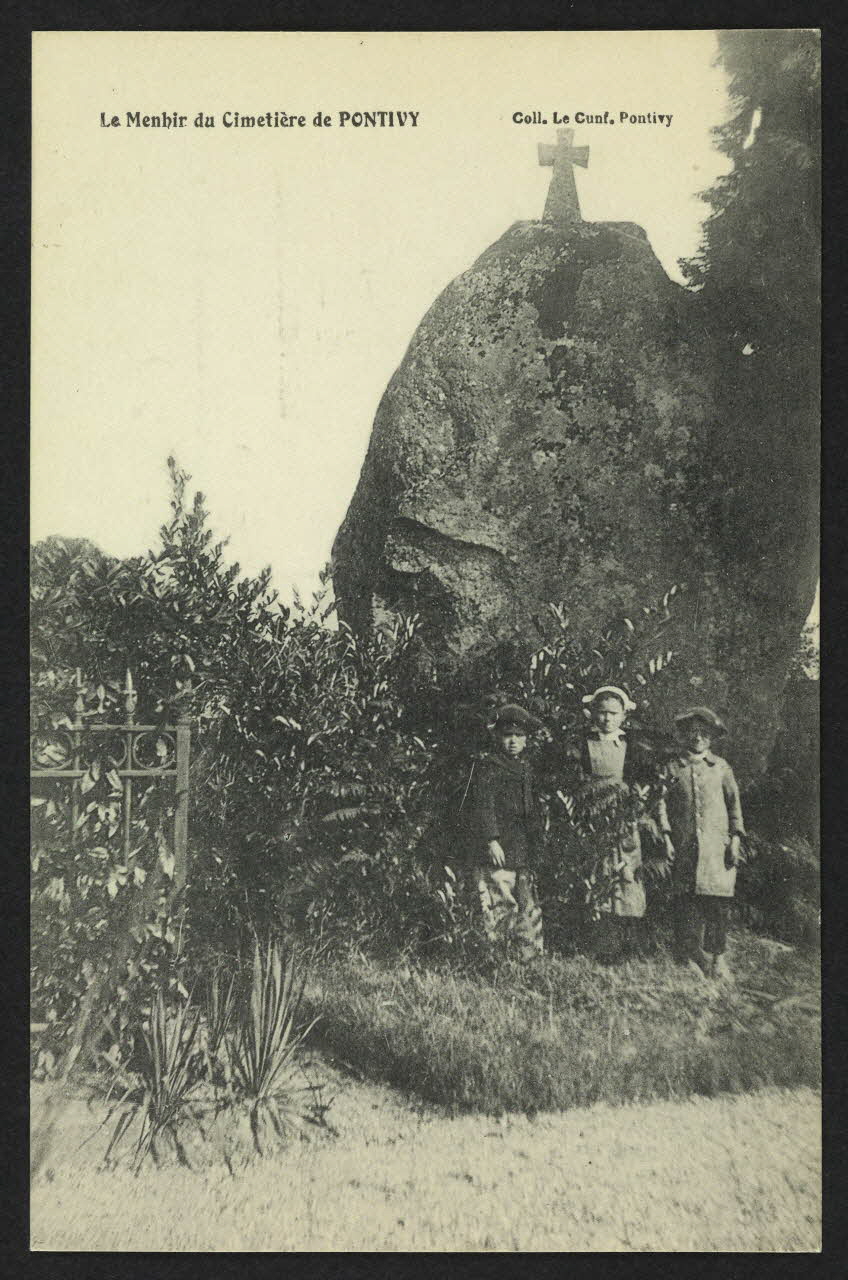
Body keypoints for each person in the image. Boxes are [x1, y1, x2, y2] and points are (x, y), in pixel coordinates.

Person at [658, 707, 745, 982]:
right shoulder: (672, 767)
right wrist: (666, 836)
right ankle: (689, 957)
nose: (697, 738)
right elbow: (659, 803)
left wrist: (735, 839)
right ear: (683, 735)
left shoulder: (720, 767)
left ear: (712, 738)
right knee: (687, 903)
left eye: (704, 734)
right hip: (685, 848)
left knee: (717, 906)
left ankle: (718, 959)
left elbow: (734, 806)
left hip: (716, 851)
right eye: (692, 733)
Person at [566, 685, 652, 960]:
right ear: (593, 714)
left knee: (625, 875)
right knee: (596, 874)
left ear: (623, 716)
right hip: (593, 816)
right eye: (601, 713)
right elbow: (576, 779)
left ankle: (626, 945)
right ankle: (596, 944)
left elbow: (640, 783)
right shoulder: (583, 743)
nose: (606, 719)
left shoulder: (631, 745)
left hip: (622, 818)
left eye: (613, 714)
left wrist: (632, 809)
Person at [462, 704, 545, 958]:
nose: (513, 741)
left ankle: (526, 951)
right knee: (499, 894)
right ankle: (498, 952)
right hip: (499, 844)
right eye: (507, 735)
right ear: (497, 737)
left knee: (523, 896)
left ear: (526, 739)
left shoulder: (525, 769)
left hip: (520, 845)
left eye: (519, 736)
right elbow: (483, 805)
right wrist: (491, 839)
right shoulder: (489, 767)